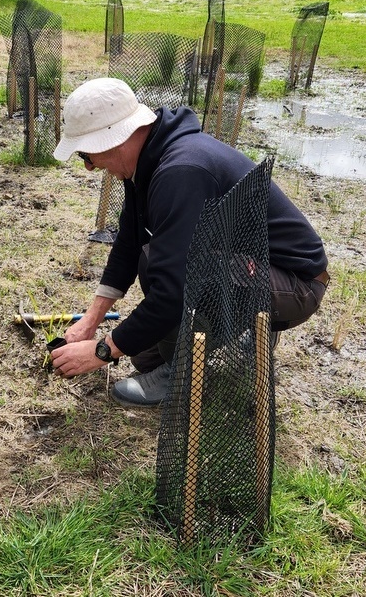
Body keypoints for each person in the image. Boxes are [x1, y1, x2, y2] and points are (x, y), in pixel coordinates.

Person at [49, 77, 329, 407]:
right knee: (145, 354)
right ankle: (230, 333)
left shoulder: (181, 171)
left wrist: (101, 351)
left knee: (188, 277)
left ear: (115, 136)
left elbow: (174, 291)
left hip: (295, 283)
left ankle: (182, 374)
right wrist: (90, 323)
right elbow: (128, 242)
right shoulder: (146, 160)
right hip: (243, 265)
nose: (88, 165)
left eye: (87, 153)